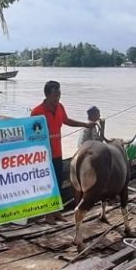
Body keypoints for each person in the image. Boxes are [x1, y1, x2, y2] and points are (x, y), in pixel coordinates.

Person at [31, 81, 96, 223]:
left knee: (58, 183)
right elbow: (31, 136)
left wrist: (85, 124)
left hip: (57, 153)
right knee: (46, 185)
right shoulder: (37, 112)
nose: (58, 98)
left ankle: (56, 211)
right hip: (43, 156)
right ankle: (47, 214)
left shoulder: (60, 107)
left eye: (59, 95)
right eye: (55, 95)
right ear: (47, 95)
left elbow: (66, 120)